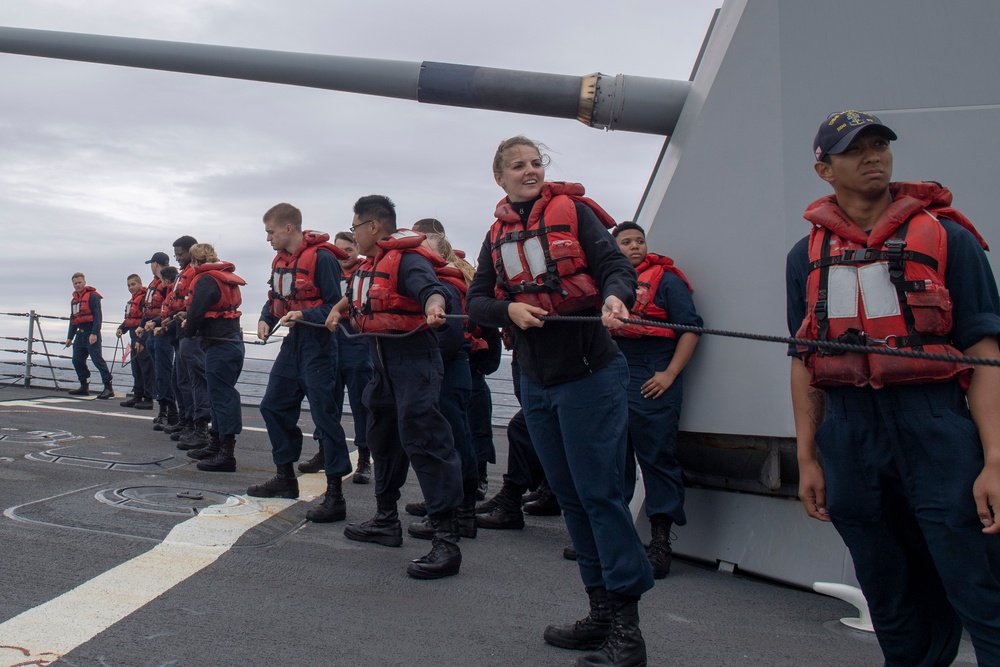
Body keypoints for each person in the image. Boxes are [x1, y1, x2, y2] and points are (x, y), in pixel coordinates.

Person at [787, 110, 1000, 667]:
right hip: (850, 434)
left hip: (936, 427)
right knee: (889, 595)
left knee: (978, 586)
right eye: (857, 149)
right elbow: (804, 360)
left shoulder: (950, 239)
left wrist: (995, 459)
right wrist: (808, 458)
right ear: (823, 169)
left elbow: (984, 354)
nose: (874, 155)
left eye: (880, 144)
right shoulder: (802, 258)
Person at [467, 136, 653, 666]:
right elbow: (478, 299)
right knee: (570, 498)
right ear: (499, 178)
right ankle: (599, 611)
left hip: (590, 375)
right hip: (536, 382)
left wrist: (617, 296)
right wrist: (511, 313)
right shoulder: (495, 235)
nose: (530, 171)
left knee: (600, 496)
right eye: (517, 166)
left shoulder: (573, 213)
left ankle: (627, 629)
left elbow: (615, 267)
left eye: (536, 163)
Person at [326, 195, 464, 580]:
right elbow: (359, 295)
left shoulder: (408, 258)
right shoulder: (370, 265)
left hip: (413, 360)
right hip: (382, 362)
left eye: (354, 227)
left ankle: (446, 541)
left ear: (372, 227)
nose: (353, 234)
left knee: (426, 440)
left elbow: (429, 288)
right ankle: (386, 521)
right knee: (383, 436)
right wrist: (339, 308)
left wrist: (434, 306)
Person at [249, 203, 354, 527]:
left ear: (288, 229)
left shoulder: (322, 259)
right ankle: (284, 477)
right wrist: (267, 319)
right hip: (292, 346)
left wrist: (304, 315)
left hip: (320, 346)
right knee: (273, 406)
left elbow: (336, 306)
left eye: (270, 231)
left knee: (326, 417)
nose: (268, 238)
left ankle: (335, 495)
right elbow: (274, 299)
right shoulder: (281, 261)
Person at [611, 221, 701, 578]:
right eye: (626, 242)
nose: (635, 247)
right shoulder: (610, 286)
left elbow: (692, 328)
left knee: (657, 456)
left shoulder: (669, 281)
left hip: (654, 371)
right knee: (615, 457)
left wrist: (669, 374)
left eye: (639, 241)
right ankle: (616, 539)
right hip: (617, 372)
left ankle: (661, 542)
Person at [297, 230, 374, 485]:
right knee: (327, 403)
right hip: (330, 345)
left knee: (362, 405)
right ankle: (324, 452)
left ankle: (364, 460)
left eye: (349, 251)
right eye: (339, 251)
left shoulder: (366, 274)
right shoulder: (329, 272)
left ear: (356, 250)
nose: (343, 256)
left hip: (357, 347)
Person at [180, 243, 246, 472]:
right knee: (218, 395)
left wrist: (185, 333)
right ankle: (216, 444)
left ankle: (227, 454)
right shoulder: (222, 277)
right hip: (232, 341)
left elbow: (196, 311)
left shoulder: (206, 279)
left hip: (220, 346)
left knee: (222, 396)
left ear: (195, 262)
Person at [164, 236, 213, 451]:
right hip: (181, 332)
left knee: (194, 381)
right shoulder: (184, 274)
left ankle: (198, 426)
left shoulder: (196, 275)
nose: (177, 258)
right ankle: (188, 421)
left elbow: (194, 306)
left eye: (180, 254)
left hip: (191, 334)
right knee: (181, 381)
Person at [138, 252, 177, 430]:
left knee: (164, 372)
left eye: (151, 264)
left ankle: (169, 411)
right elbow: (148, 309)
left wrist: (156, 323)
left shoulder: (166, 284)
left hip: (162, 332)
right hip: (152, 331)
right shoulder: (155, 284)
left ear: (155, 264)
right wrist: (142, 325)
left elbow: (169, 310)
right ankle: (164, 409)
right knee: (158, 372)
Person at [64, 272, 114, 399]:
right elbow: (73, 319)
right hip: (80, 334)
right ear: (73, 285)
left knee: (97, 360)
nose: (78, 285)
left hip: (91, 332)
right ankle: (84, 385)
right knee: (77, 360)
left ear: (84, 282)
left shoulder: (93, 297)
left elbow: (98, 316)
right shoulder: (74, 301)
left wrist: (94, 333)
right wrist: (70, 337)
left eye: (80, 282)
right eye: (75, 283)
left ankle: (108, 387)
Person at [116, 273, 155, 410]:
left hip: (142, 336)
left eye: (133, 284)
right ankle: (138, 395)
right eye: (128, 285)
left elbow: (145, 317)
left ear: (139, 283)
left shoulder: (144, 298)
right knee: (136, 368)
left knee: (146, 368)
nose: (131, 287)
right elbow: (129, 320)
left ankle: (148, 397)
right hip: (133, 336)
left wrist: (142, 338)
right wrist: (121, 328)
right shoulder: (131, 301)